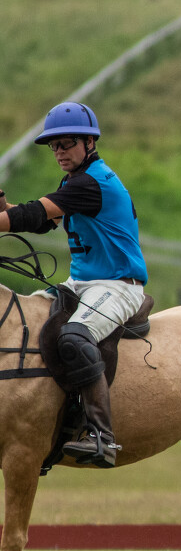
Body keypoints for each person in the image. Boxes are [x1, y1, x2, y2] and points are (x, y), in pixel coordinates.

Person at [0, 102, 148, 467]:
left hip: (118, 284)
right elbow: (41, 221)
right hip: (82, 283)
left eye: (66, 143)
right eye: (54, 146)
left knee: (74, 336)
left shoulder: (91, 183)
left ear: (89, 142)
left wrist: (8, 216)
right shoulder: (73, 182)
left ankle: (102, 436)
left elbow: (32, 214)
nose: (59, 152)